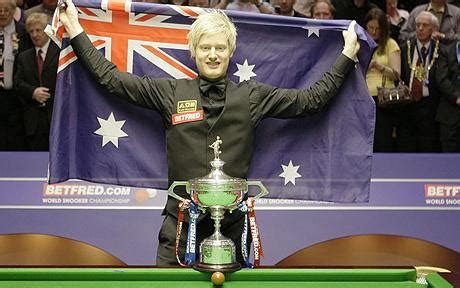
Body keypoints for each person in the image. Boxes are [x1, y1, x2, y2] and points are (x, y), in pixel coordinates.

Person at [59, 0, 360, 266]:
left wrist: (346, 55)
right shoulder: (171, 92)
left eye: (220, 48)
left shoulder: (253, 96)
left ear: (231, 52)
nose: (213, 55)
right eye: (205, 48)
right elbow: (111, 79)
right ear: (193, 52)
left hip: (233, 231)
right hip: (177, 231)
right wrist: (74, 28)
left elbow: (310, 101)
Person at [14, 12, 59, 151]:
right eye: (31, 31)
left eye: (38, 30)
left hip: (56, 117)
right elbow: (17, 83)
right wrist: (33, 92)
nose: (34, 35)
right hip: (32, 123)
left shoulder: (60, 53)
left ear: (47, 31)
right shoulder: (23, 57)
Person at [398, 11, 441, 152]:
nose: (420, 28)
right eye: (418, 25)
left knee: (427, 146)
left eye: (425, 25)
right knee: (407, 146)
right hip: (407, 104)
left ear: (433, 29)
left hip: (430, 106)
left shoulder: (440, 50)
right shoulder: (406, 47)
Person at [364, 8, 401, 152]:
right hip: (364, 98)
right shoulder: (360, 43)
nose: (373, 32)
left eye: (378, 29)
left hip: (384, 100)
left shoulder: (390, 44)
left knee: (382, 139)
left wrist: (379, 67)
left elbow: (396, 75)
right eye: (371, 28)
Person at [0, 0, 32, 151]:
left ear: (14, 11)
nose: (2, 13)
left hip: (16, 96)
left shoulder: (23, 32)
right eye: (0, 10)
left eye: (6, 10)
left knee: (15, 140)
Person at [435, 40, 460, 152]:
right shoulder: (446, 50)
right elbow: (441, 78)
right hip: (450, 111)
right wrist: (456, 97)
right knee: (449, 154)